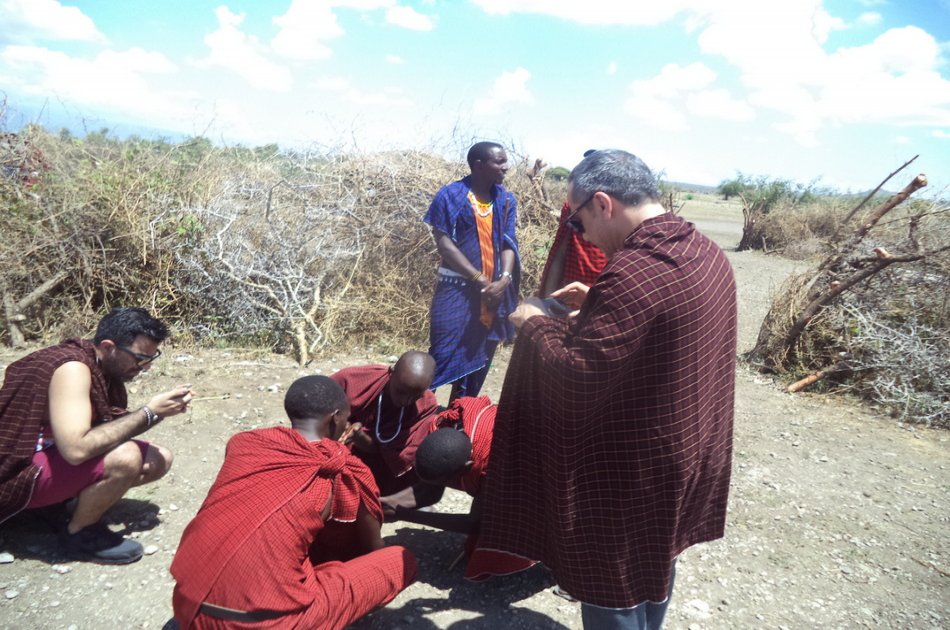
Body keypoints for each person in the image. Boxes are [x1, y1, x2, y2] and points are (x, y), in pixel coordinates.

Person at [475, 150, 738, 629]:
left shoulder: (635, 270)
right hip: (686, 446)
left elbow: (577, 375)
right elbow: (666, 321)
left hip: (635, 464)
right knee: (655, 561)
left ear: (602, 203)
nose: (581, 236)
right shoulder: (701, 250)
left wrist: (533, 324)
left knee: (611, 576)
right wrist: (598, 299)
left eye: (577, 222)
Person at [170, 375, 416, 629]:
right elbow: (371, 545)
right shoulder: (342, 469)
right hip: (262, 624)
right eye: (346, 417)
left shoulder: (246, 444)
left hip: (187, 604)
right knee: (400, 559)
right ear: (335, 418)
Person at [0, 307, 194, 564]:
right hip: (16, 473)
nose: (144, 367)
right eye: (139, 358)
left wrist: (156, 414)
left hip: (47, 453)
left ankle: (53, 507)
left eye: (150, 359)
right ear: (108, 346)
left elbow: (102, 429)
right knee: (126, 457)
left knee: (159, 459)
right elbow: (77, 449)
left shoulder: (102, 367)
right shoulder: (72, 369)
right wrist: (150, 413)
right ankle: (79, 534)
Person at [380, 395, 535, 579]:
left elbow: (475, 523)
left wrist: (402, 514)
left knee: (499, 535)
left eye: (445, 481)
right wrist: (387, 503)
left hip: (542, 466)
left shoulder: (495, 468)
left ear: (467, 467)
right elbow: (430, 490)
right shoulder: (444, 425)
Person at [424, 141, 520, 401]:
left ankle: (459, 421)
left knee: (480, 357)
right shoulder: (451, 195)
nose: (505, 167)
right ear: (479, 165)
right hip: (455, 289)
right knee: (442, 353)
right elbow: (445, 244)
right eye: (499, 162)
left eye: (505, 161)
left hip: (494, 294)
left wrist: (503, 280)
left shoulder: (506, 200)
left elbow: (508, 243)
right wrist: (479, 279)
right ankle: (418, 420)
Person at [330, 351, 438, 495]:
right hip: (338, 452)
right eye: (400, 391)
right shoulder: (353, 380)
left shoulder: (426, 405)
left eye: (415, 396)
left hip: (381, 465)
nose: (405, 401)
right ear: (391, 372)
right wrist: (342, 426)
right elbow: (317, 409)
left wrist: (359, 436)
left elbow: (394, 453)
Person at [537, 150, 609, 298]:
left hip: (603, 288)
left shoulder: (617, 211)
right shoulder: (571, 206)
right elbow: (561, 251)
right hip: (572, 287)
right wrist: (548, 300)